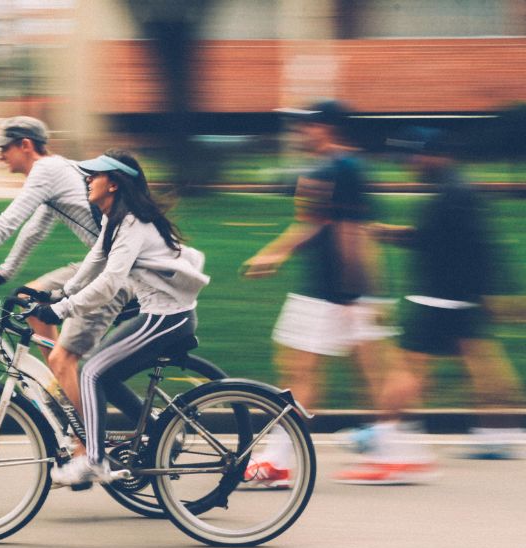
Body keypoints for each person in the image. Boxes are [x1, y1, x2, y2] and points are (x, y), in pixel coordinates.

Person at [345, 127, 524, 477]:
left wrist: (384, 232)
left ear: (436, 154)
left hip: (437, 297)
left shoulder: (452, 193)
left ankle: (383, 437)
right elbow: (475, 245)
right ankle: (498, 433)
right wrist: (490, 293)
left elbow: (434, 241)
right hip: (459, 297)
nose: (411, 163)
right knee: (483, 361)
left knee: (407, 367)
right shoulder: (457, 187)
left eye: (416, 155)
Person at [0, 116, 136, 424]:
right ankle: (60, 389)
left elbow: (7, 223)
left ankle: (86, 440)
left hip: (117, 271)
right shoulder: (56, 171)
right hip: (102, 262)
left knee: (65, 358)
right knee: (30, 299)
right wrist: (5, 272)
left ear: (25, 145)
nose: (0, 155)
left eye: (5, 148)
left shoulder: (46, 171)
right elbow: (34, 230)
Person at [241, 100, 399, 486]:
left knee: (358, 372)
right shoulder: (328, 168)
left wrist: (355, 294)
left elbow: (354, 231)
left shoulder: (345, 168)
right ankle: (389, 451)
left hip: (339, 292)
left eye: (306, 126)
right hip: (328, 291)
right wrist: (274, 254)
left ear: (327, 128)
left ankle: (390, 453)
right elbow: (314, 225)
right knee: (304, 370)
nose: (300, 132)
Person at [30, 149, 210, 486]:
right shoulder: (116, 221)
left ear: (113, 184)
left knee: (92, 373)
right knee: (105, 377)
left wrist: (61, 310)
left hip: (167, 319)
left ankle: (94, 461)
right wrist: (59, 293)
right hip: (160, 316)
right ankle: (157, 431)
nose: (87, 180)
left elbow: (110, 283)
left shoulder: (133, 223)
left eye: (94, 176)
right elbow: (94, 263)